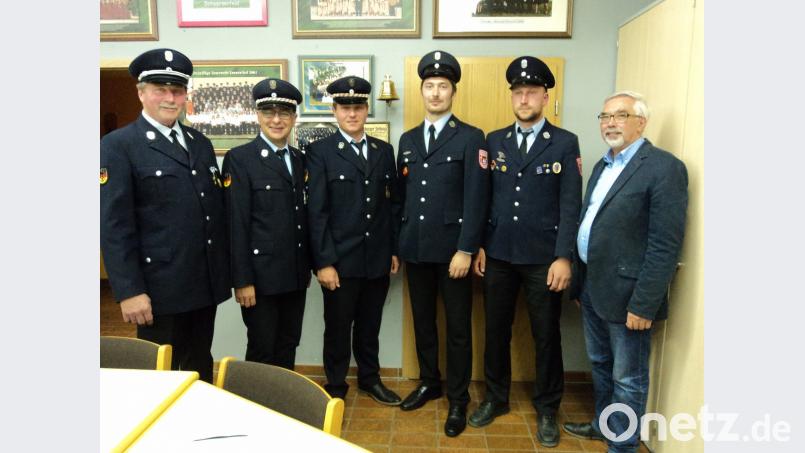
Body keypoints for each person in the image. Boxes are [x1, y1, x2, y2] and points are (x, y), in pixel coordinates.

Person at [563, 91, 688, 453]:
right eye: (604, 116)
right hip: (592, 288)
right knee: (600, 364)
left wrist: (645, 304)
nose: (610, 123)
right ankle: (605, 425)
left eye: (620, 115)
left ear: (641, 122)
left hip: (630, 296)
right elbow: (591, 223)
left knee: (628, 377)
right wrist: (580, 284)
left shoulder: (664, 168)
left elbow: (665, 244)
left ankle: (622, 445)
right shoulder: (603, 165)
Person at [468, 56, 582, 447]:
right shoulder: (494, 141)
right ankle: (495, 399)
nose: (524, 98)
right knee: (495, 331)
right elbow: (483, 199)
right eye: (518, 92)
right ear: (512, 97)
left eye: (532, 91)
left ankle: (548, 408)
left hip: (543, 258)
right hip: (498, 254)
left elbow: (571, 204)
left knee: (546, 335)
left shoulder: (565, 143)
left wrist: (564, 256)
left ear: (546, 97)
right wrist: (480, 243)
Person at [100, 48, 231, 383]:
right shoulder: (118, 146)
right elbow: (114, 226)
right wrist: (129, 290)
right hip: (158, 290)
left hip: (203, 283)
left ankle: (197, 428)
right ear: (141, 92)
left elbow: (210, 210)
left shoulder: (198, 143)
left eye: (177, 90)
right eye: (160, 89)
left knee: (199, 364)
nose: (170, 98)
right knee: (158, 374)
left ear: (186, 94)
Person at [396, 50, 490, 437]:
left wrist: (467, 249)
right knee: (423, 323)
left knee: (457, 329)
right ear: (422, 91)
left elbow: (477, 198)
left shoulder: (470, 138)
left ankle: (457, 399)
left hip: (454, 254)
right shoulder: (408, 139)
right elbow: (401, 197)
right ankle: (429, 382)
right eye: (429, 86)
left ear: (453, 92)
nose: (435, 93)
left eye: (443, 86)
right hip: (416, 249)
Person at [306, 76, 402, 406]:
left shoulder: (383, 151)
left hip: (376, 258)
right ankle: (335, 385)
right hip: (339, 262)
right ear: (334, 110)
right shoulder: (319, 153)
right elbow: (316, 212)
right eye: (345, 107)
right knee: (337, 327)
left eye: (358, 107)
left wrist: (392, 249)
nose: (352, 113)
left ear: (366, 110)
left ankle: (369, 379)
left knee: (369, 326)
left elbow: (391, 205)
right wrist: (324, 262)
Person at [221, 78, 311, 370]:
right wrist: (242, 280)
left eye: (284, 112)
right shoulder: (240, 159)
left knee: (288, 343)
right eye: (269, 112)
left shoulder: (299, 159)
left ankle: (281, 407)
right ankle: (259, 410)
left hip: (295, 274)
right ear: (257, 115)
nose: (276, 119)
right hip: (260, 279)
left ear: (294, 118)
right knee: (262, 347)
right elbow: (236, 223)